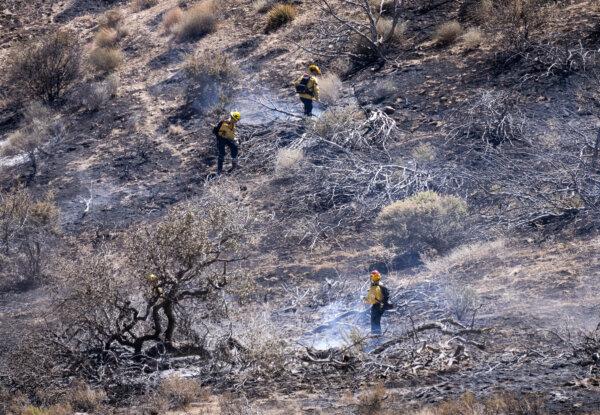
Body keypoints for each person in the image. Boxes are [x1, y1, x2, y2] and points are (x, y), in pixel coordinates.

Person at [365, 270, 392, 335]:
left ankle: (376, 337)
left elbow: (371, 300)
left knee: (374, 322)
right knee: (377, 322)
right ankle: (378, 336)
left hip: (377, 306)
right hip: (382, 306)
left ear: (372, 277)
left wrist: (364, 299)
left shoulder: (374, 288)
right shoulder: (381, 285)